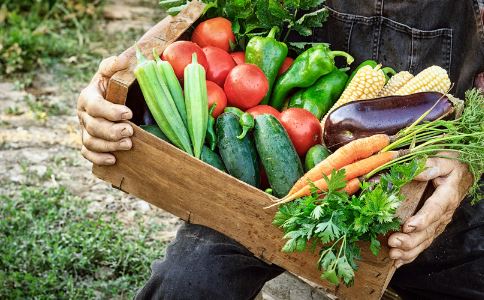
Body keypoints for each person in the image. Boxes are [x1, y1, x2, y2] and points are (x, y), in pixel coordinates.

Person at [77, 0, 484, 299]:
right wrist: (120, 77)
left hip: (437, 195)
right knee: (185, 285)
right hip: (275, 185)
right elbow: (197, 15)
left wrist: (468, 161)